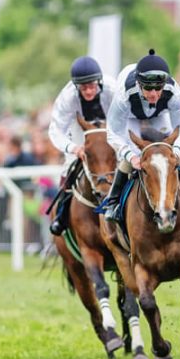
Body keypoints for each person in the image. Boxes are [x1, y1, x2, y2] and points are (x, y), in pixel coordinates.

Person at [104, 49, 180, 224]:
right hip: (130, 117)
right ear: (139, 84)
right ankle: (113, 202)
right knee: (132, 153)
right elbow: (113, 132)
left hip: (159, 114)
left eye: (158, 88)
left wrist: (177, 150)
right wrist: (130, 155)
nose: (154, 94)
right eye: (148, 88)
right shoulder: (124, 95)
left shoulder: (173, 91)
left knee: (170, 153)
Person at [47, 56, 117, 235]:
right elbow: (55, 131)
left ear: (99, 82)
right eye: (83, 87)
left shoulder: (112, 89)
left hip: (109, 127)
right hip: (80, 130)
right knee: (69, 166)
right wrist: (73, 148)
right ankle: (62, 215)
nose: (88, 91)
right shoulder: (67, 97)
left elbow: (123, 120)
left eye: (92, 86)